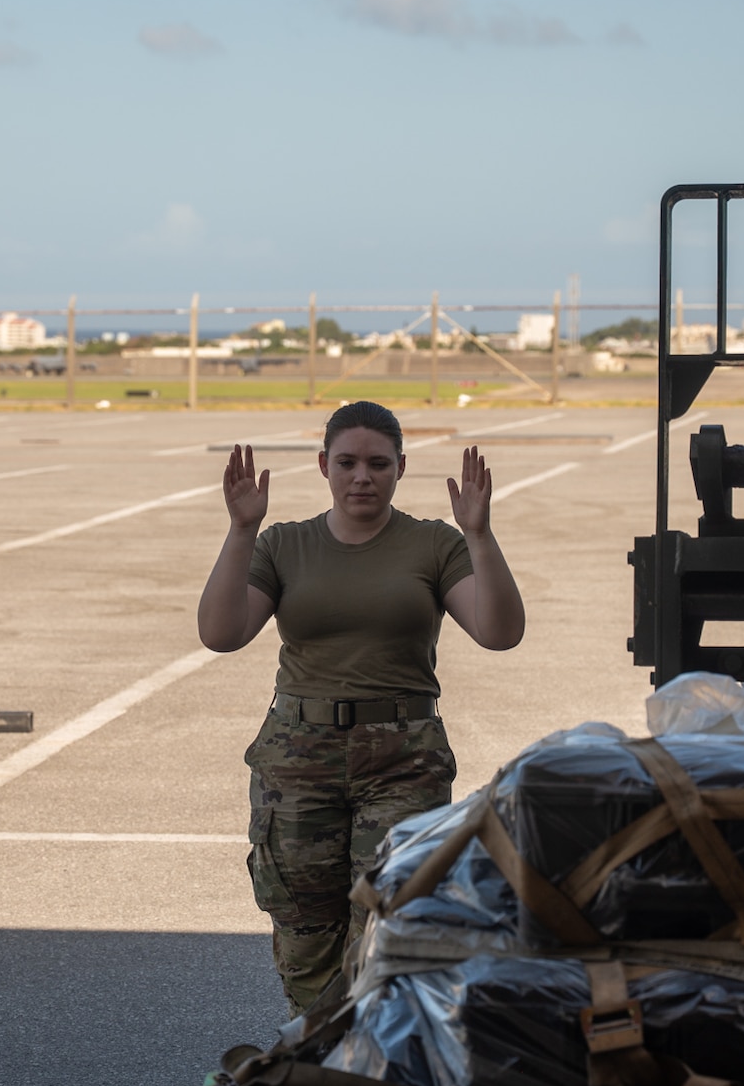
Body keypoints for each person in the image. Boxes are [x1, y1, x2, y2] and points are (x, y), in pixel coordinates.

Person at [197, 400, 526, 1016]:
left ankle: (375, 1052)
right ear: (323, 466)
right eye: (346, 462)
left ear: (401, 467)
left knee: (392, 916)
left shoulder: (434, 543)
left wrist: (480, 536)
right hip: (298, 757)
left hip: (402, 758)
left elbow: (499, 631)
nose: (362, 476)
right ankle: (317, 1053)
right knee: (304, 924)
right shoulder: (284, 543)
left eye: (378, 463)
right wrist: (241, 531)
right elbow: (221, 632)